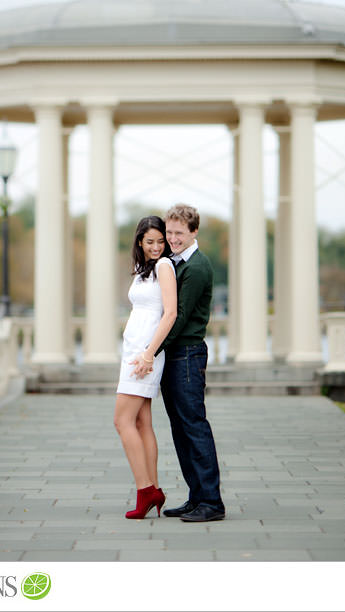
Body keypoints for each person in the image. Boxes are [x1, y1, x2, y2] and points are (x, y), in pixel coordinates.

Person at [135, 203, 225, 523]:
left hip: (187, 354)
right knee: (180, 428)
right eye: (168, 232)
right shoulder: (174, 262)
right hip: (175, 355)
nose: (171, 239)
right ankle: (196, 497)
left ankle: (211, 502)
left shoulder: (197, 266)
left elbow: (179, 317)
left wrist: (151, 352)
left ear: (194, 232)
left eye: (178, 233)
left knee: (194, 426)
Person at [114, 216, 177, 519]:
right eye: (150, 241)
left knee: (121, 421)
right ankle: (154, 489)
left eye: (160, 241)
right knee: (141, 423)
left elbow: (170, 314)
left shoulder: (164, 267)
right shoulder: (144, 270)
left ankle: (145, 490)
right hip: (134, 350)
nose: (156, 247)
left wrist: (150, 354)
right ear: (140, 241)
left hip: (145, 354)